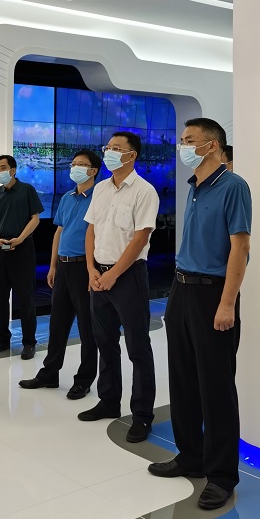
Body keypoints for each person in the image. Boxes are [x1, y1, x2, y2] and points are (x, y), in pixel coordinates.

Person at [148, 118, 251, 510]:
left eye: (189, 140)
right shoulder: (193, 186)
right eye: (182, 140)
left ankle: (221, 476)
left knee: (216, 387)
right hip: (182, 289)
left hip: (213, 294)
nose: (183, 146)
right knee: (183, 380)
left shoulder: (233, 186)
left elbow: (240, 248)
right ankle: (190, 456)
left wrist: (227, 303)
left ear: (212, 146)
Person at [78, 131, 159, 444]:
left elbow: (140, 238)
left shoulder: (144, 191)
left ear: (131, 155)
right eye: (107, 147)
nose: (109, 152)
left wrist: (113, 274)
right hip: (98, 275)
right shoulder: (100, 189)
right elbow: (91, 231)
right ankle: (109, 401)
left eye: (116, 148)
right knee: (105, 342)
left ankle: (142, 415)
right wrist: (91, 269)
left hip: (128, 277)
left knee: (138, 347)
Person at [19, 149, 100, 400]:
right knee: (58, 323)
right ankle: (49, 373)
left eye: (81, 164)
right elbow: (59, 232)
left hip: (85, 267)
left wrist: (92, 269)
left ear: (93, 170)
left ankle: (84, 380)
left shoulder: (100, 197)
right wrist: (53, 266)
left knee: (87, 327)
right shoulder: (67, 197)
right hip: (64, 267)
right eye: (73, 163)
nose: (74, 167)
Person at [0, 154, 44, 360]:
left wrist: (20, 238)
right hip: (1, 248)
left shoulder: (27, 190)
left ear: (13, 170)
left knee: (26, 297)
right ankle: (2, 338)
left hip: (22, 248)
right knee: (0, 297)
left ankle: (29, 342)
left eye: (2, 167)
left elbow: (35, 218)